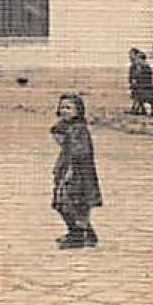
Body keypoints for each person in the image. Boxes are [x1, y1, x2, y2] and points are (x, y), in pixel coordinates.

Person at [49, 93, 100, 250]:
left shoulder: (78, 129)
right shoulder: (67, 127)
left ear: (78, 110)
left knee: (70, 203)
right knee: (71, 204)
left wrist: (70, 170)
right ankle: (84, 233)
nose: (65, 110)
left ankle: (78, 235)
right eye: (62, 107)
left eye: (69, 108)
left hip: (78, 172)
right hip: (69, 168)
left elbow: (79, 152)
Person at [127, 48, 153, 116]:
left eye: (131, 54)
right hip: (144, 83)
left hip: (142, 83)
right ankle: (139, 109)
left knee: (142, 97)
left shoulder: (139, 64)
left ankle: (137, 109)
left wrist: (134, 80)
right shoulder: (141, 64)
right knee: (140, 97)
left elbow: (137, 74)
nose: (130, 56)